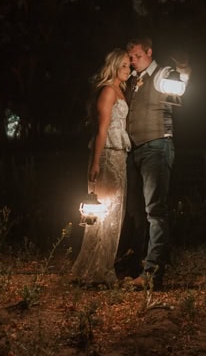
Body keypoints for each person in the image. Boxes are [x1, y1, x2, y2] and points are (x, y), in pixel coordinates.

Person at [122, 36, 189, 289]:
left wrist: (183, 71)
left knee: (155, 211)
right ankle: (138, 263)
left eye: (137, 56)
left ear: (149, 52)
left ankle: (153, 273)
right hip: (135, 149)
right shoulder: (132, 80)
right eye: (131, 57)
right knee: (136, 211)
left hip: (157, 146)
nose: (134, 61)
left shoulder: (161, 74)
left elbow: (181, 90)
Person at [70, 48, 132, 287]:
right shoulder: (108, 91)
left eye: (129, 65)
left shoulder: (121, 90)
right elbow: (102, 129)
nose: (128, 70)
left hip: (119, 156)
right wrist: (95, 162)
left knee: (115, 212)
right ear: (115, 66)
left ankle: (99, 267)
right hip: (107, 155)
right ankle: (99, 271)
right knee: (105, 212)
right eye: (124, 65)